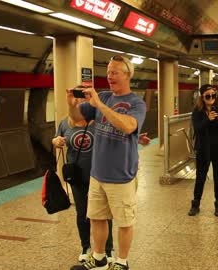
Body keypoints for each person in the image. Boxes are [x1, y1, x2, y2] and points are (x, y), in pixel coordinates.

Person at [69, 55, 146, 270]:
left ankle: (121, 262)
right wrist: (72, 104)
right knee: (97, 218)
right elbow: (76, 119)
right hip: (97, 173)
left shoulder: (137, 103)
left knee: (124, 221)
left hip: (121, 175)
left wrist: (100, 105)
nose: (109, 76)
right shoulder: (103, 96)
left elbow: (128, 126)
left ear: (128, 75)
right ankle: (99, 256)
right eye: (108, 71)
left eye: (115, 72)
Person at [52, 116, 114, 264]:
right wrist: (56, 142)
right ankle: (85, 247)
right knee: (82, 213)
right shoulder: (64, 123)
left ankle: (108, 249)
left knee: (104, 214)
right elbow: (56, 140)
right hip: (77, 176)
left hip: (99, 175)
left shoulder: (100, 121)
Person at [188, 84, 218, 217]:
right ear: (202, 97)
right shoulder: (197, 111)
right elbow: (197, 129)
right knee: (200, 177)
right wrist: (207, 119)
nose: (211, 98)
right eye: (208, 96)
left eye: (213, 95)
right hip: (203, 148)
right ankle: (195, 204)